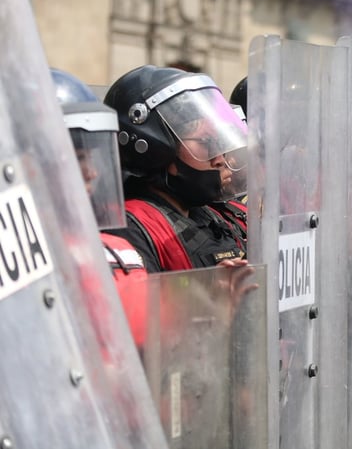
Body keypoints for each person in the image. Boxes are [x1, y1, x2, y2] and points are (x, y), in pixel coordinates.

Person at [103, 64, 250, 272]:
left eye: (220, 143)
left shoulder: (214, 216)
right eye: (205, 143)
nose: (220, 159)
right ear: (156, 150)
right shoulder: (132, 229)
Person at [51, 67, 149, 348]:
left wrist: (220, 307)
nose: (93, 173)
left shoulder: (118, 251)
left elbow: (155, 343)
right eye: (79, 157)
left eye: (93, 158)